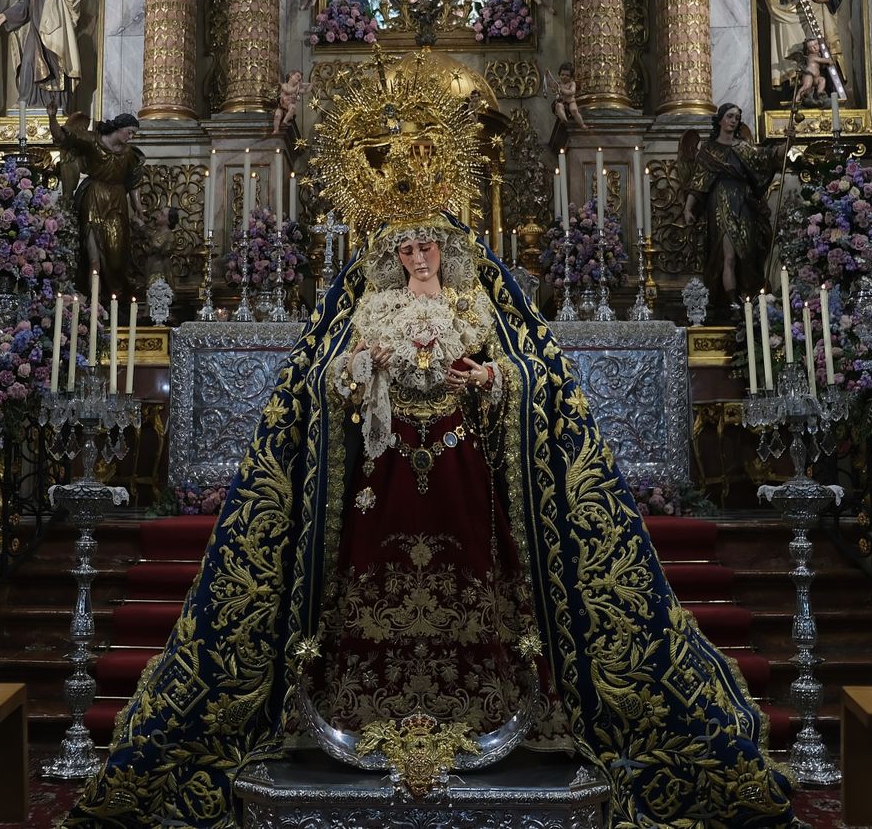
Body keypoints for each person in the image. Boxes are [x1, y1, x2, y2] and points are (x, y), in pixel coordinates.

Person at [63, 214, 797, 828]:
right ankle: (359, 698)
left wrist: (485, 377)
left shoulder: (475, 304)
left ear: (445, 251)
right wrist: (369, 365)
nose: (418, 258)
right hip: (384, 466)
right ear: (392, 258)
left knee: (472, 563)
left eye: (427, 247)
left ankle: (492, 700)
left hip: (458, 456)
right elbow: (331, 374)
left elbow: (522, 369)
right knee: (372, 568)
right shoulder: (372, 306)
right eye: (406, 249)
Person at [681, 102, 794, 312]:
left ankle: (747, 299)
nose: (733, 121)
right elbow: (698, 182)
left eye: (736, 118)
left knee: (747, 254)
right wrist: (688, 209)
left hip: (744, 204)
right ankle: (731, 302)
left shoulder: (744, 148)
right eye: (730, 116)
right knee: (728, 255)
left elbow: (767, 158)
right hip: (720, 203)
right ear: (721, 119)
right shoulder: (708, 150)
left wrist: (787, 142)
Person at [49, 111, 145, 294]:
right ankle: (94, 303)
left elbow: (134, 180)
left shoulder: (129, 154)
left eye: (134, 134)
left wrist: (138, 206)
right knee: (94, 256)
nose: (131, 137)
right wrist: (52, 117)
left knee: (116, 255)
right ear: (118, 128)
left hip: (117, 201)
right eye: (129, 132)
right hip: (94, 197)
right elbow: (62, 136)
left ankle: (114, 298)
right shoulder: (93, 141)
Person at [549, 61, 586, 130]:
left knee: (574, 110)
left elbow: (571, 92)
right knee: (558, 106)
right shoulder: (559, 84)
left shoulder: (572, 84)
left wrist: (561, 89)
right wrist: (553, 88)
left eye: (567, 75)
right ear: (559, 74)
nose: (564, 77)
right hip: (562, 102)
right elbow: (555, 91)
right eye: (562, 75)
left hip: (571, 102)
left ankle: (582, 124)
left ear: (571, 77)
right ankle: (564, 120)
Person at [272, 69, 305, 136]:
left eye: (300, 79)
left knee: (293, 107)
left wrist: (312, 84)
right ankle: (276, 130)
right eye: (297, 76)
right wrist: (297, 86)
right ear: (291, 76)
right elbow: (288, 91)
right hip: (281, 107)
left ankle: (285, 121)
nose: (299, 79)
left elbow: (305, 91)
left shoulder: (297, 89)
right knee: (277, 116)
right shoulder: (284, 85)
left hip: (288, 108)